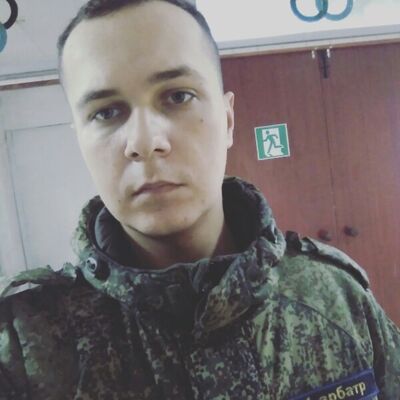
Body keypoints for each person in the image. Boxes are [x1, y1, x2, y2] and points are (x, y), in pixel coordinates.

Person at [0, 0, 399, 399]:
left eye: (178, 96)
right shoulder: (26, 348)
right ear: (80, 141)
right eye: (106, 113)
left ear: (228, 120)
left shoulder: (335, 298)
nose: (144, 142)